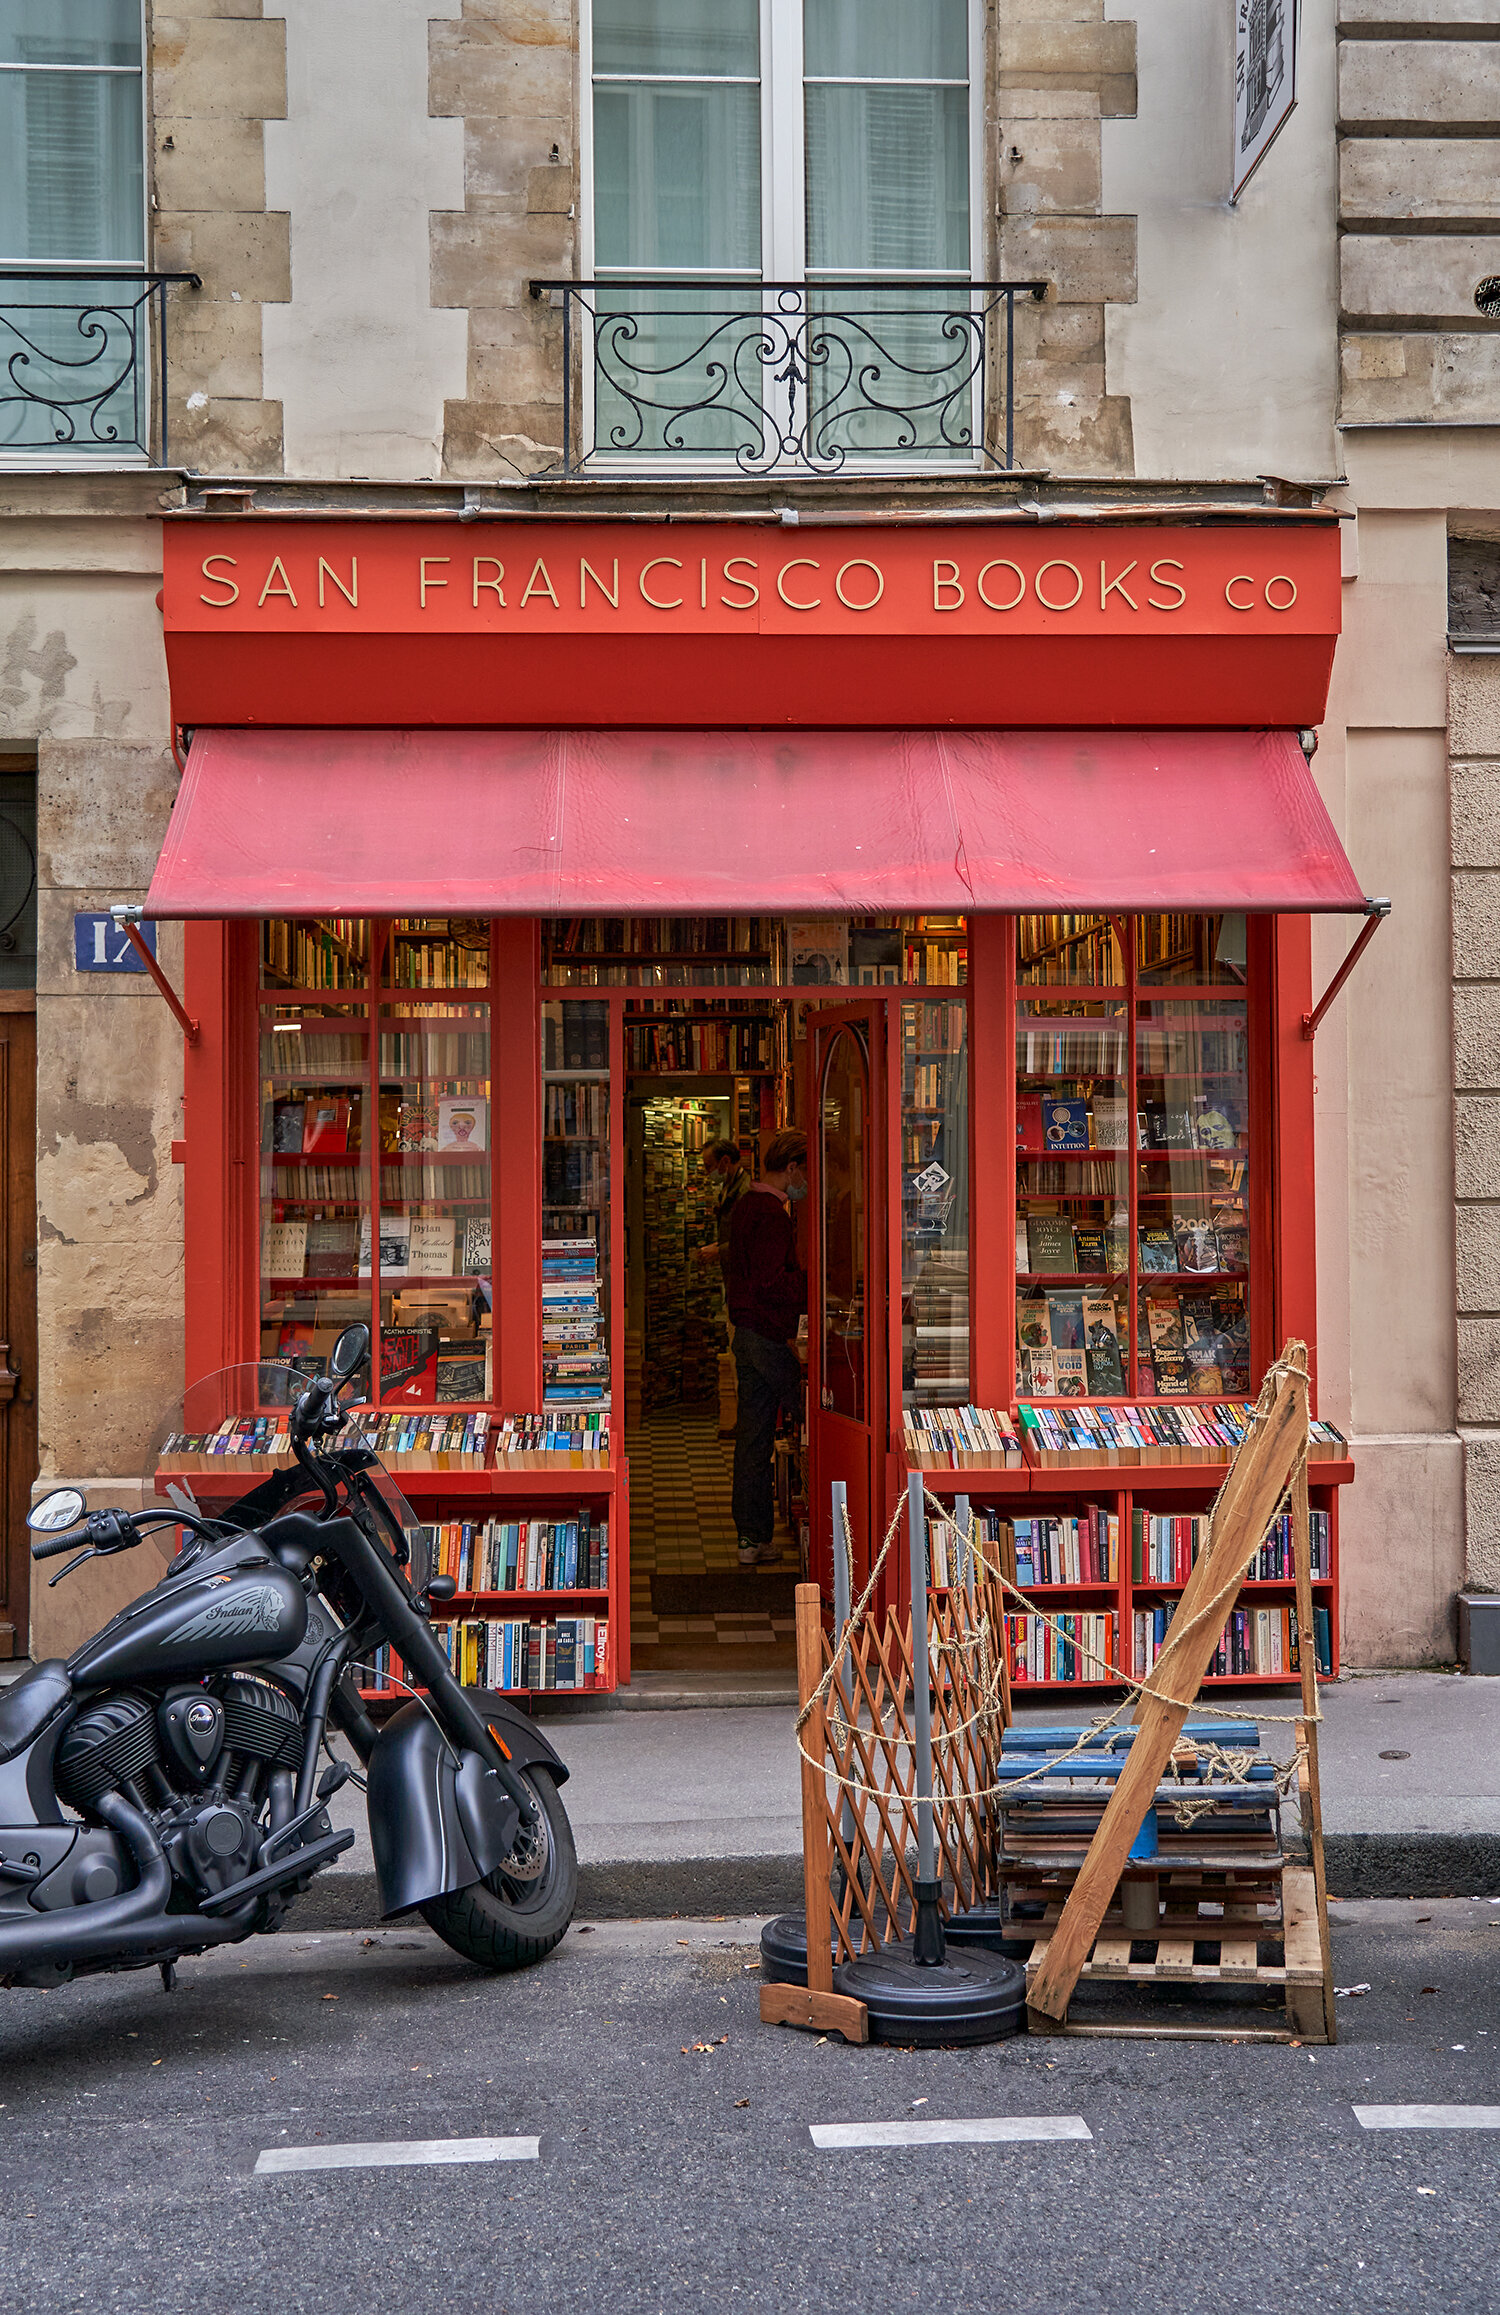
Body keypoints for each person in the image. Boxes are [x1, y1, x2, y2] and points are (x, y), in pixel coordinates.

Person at [724, 1129, 808, 1567]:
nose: (808, 1183)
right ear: (791, 1168)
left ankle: (750, 1539)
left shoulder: (744, 1207)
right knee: (816, 1416)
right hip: (771, 1336)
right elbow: (772, 1282)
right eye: (806, 1171)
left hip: (745, 1333)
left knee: (752, 1439)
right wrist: (810, 1286)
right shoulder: (773, 1216)